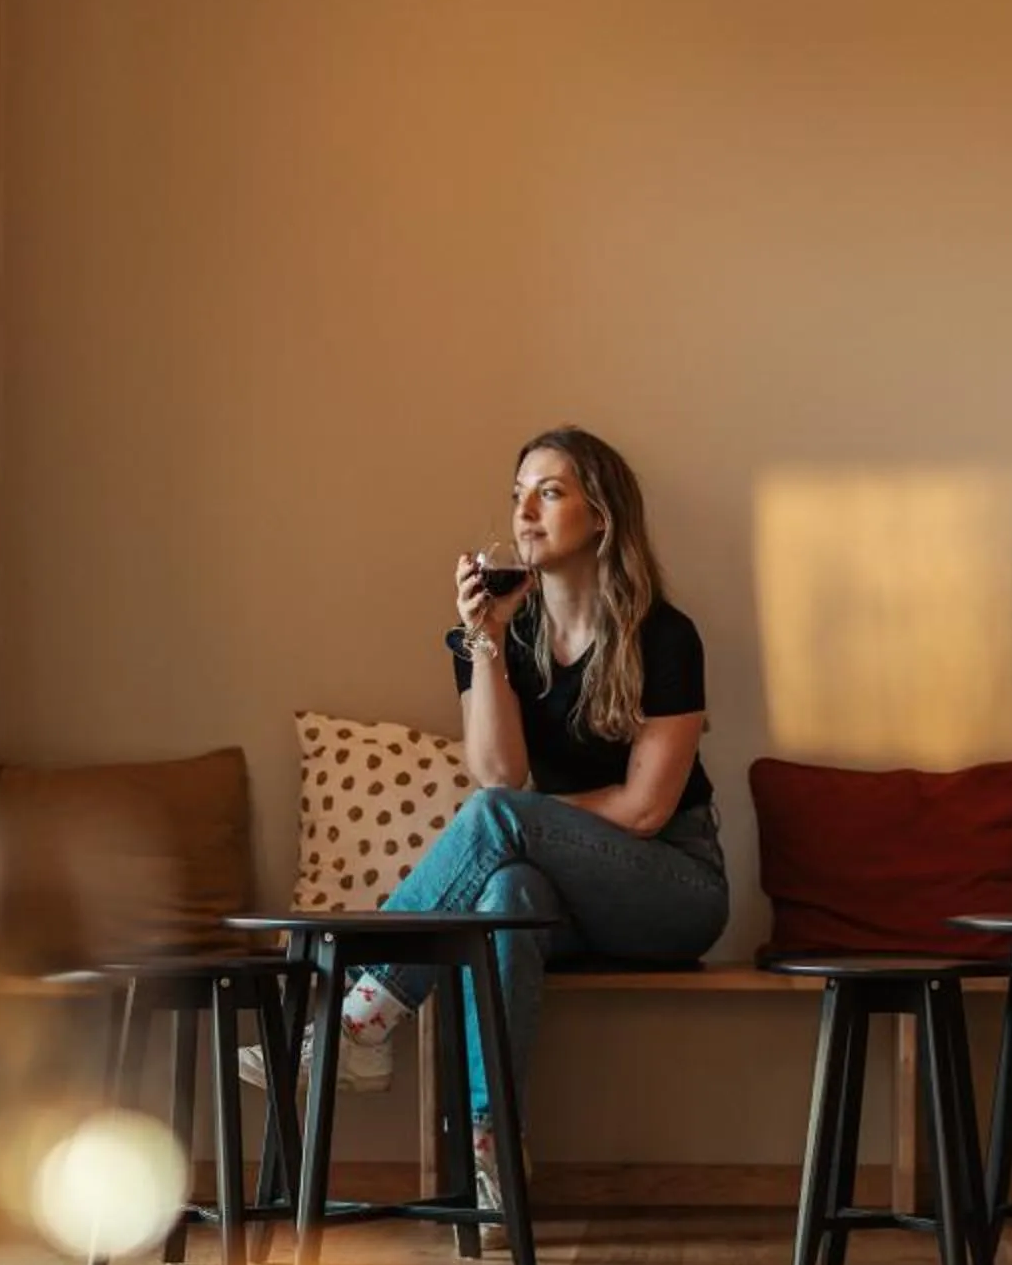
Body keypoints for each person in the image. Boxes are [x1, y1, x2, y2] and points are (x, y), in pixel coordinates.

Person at [245, 425, 731, 1207]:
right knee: (505, 896)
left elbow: (644, 811)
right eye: (517, 496)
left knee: (500, 822)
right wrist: (486, 641)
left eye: (550, 493)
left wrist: (526, 820)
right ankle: (493, 1148)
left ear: (601, 516)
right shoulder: (496, 635)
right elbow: (499, 772)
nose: (525, 513)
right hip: (560, 896)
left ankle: (355, 1014)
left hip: (671, 888)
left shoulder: (665, 637)